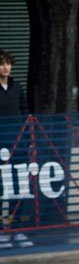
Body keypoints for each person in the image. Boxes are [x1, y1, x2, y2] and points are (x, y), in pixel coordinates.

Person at [0, 50, 32, 249]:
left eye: (8, 63)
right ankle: (2, 232)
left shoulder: (17, 87)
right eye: (2, 63)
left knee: (17, 188)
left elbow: (24, 112)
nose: (5, 67)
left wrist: (25, 139)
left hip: (17, 145)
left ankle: (16, 229)